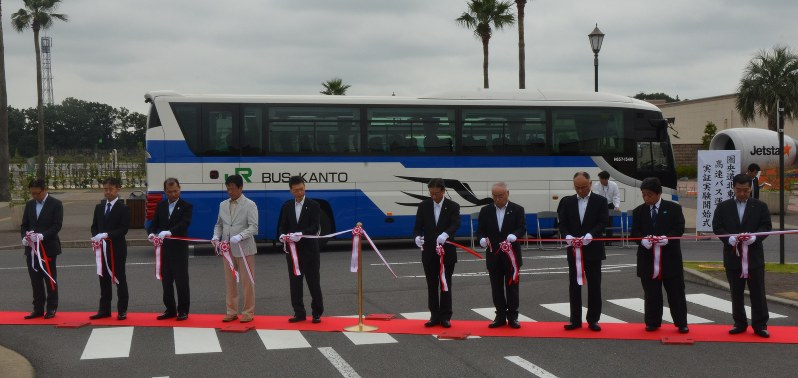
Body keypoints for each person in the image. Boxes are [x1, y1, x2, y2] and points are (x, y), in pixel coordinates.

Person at [712, 173, 773, 338]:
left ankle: (760, 325)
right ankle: (739, 322)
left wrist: (755, 237)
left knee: (758, 292)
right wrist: (729, 238)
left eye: (745, 190)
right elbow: (717, 227)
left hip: (754, 257)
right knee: (736, 292)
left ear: (751, 189)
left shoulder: (759, 206)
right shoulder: (723, 207)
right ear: (733, 188)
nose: (742, 194)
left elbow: (766, 226)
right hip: (733, 256)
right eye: (739, 190)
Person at [629, 177, 689, 334]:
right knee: (651, 293)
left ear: (658, 193)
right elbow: (634, 232)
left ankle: (681, 322)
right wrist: (642, 240)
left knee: (676, 292)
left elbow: (679, 228)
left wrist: (666, 238)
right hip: (647, 259)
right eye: (643, 194)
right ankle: (653, 322)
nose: (646, 198)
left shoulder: (673, 208)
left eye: (649, 194)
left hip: (670, 258)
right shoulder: (639, 211)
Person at [557, 171, 608, 331]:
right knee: (574, 285)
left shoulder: (600, 201)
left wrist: (591, 234)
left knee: (594, 285)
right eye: (577, 187)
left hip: (593, 249)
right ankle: (575, 320)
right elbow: (561, 223)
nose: (580, 190)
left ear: (590, 184)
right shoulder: (567, 202)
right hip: (574, 250)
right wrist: (567, 236)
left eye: (583, 187)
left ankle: (593, 319)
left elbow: (603, 221)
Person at [476, 182, 526, 329]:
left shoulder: (517, 209)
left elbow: (522, 227)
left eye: (501, 196)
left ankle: (513, 317)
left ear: (507, 194)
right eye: (495, 196)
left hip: (512, 256)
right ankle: (500, 316)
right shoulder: (485, 211)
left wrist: (515, 235)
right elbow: (480, 230)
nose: (498, 199)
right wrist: (482, 240)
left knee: (512, 288)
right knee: (496, 288)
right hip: (494, 256)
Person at [413, 178, 461, 328]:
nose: (433, 197)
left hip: (446, 252)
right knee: (431, 285)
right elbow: (417, 226)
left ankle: (446, 316)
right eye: (431, 193)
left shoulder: (453, 206)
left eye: (436, 193)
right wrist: (416, 238)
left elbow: (455, 223)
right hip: (429, 252)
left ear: (443, 191)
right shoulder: (424, 206)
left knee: (445, 284)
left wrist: (446, 234)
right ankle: (434, 315)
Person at [212, 174, 259, 323]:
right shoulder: (223, 204)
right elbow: (219, 224)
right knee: (230, 282)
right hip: (228, 249)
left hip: (245, 249)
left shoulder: (250, 204)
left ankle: (248, 312)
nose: (230, 192)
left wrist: (240, 236)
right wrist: (215, 237)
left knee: (247, 282)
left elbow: (254, 227)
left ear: (240, 188)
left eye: (232, 189)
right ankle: (231, 311)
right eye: (228, 189)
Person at [278, 176, 324, 323]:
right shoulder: (287, 206)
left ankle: (317, 312)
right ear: (291, 190)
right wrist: (282, 236)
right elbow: (281, 226)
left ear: (305, 188)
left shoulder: (314, 205)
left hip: (310, 251)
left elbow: (315, 227)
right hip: (293, 252)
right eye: (296, 190)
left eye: (302, 189)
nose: (299, 193)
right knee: (295, 283)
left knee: (313, 282)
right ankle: (299, 313)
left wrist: (301, 234)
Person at [148, 178, 194, 321]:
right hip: (164, 250)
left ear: (180, 189)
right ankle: (170, 309)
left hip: (179, 250)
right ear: (165, 192)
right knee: (166, 281)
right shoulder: (161, 205)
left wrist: (170, 232)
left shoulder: (186, 206)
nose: (173, 194)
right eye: (170, 192)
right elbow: (154, 223)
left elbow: (184, 223)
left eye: (175, 191)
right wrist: (151, 233)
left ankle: (183, 310)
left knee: (181, 281)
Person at [20, 179, 63, 320]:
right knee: (35, 280)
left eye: (37, 193)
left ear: (44, 190)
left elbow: (57, 225)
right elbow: (24, 225)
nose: (34, 196)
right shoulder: (30, 204)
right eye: (32, 193)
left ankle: (51, 307)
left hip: (48, 247)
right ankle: (38, 308)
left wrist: (42, 236)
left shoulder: (56, 204)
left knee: (49, 278)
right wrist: (25, 238)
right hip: (32, 249)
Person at [90, 177, 131, 320]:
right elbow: (94, 226)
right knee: (103, 279)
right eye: (105, 189)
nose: (107, 192)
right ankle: (104, 309)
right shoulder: (99, 207)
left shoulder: (123, 208)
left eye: (110, 189)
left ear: (117, 189)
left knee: (120, 279)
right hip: (102, 249)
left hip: (117, 248)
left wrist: (107, 235)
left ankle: (122, 310)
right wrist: (96, 236)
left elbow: (123, 229)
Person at [592, 170, 621, 245]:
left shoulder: (613, 185)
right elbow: (595, 197)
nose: (600, 180)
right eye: (600, 179)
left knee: (609, 223)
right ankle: (599, 240)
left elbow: (616, 196)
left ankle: (609, 241)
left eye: (601, 179)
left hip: (610, 204)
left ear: (606, 179)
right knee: (599, 222)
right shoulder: (596, 185)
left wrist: (617, 206)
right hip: (600, 205)